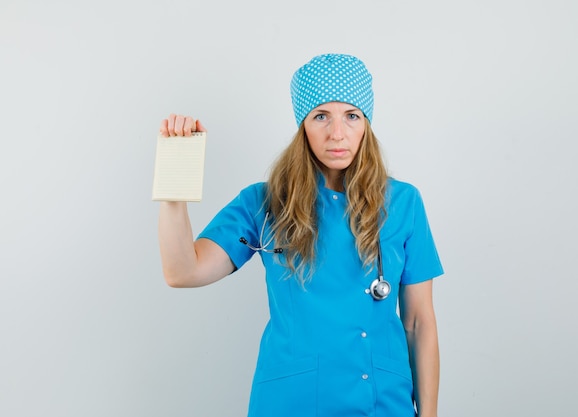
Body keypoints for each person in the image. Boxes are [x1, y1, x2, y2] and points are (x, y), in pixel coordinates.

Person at [158, 53, 444, 417]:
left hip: (383, 401)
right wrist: (173, 181)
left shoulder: (403, 203)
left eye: (351, 116)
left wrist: (430, 414)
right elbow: (183, 271)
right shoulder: (263, 203)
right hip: (292, 403)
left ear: (367, 124)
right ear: (302, 125)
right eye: (321, 116)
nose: (337, 133)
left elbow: (419, 322)